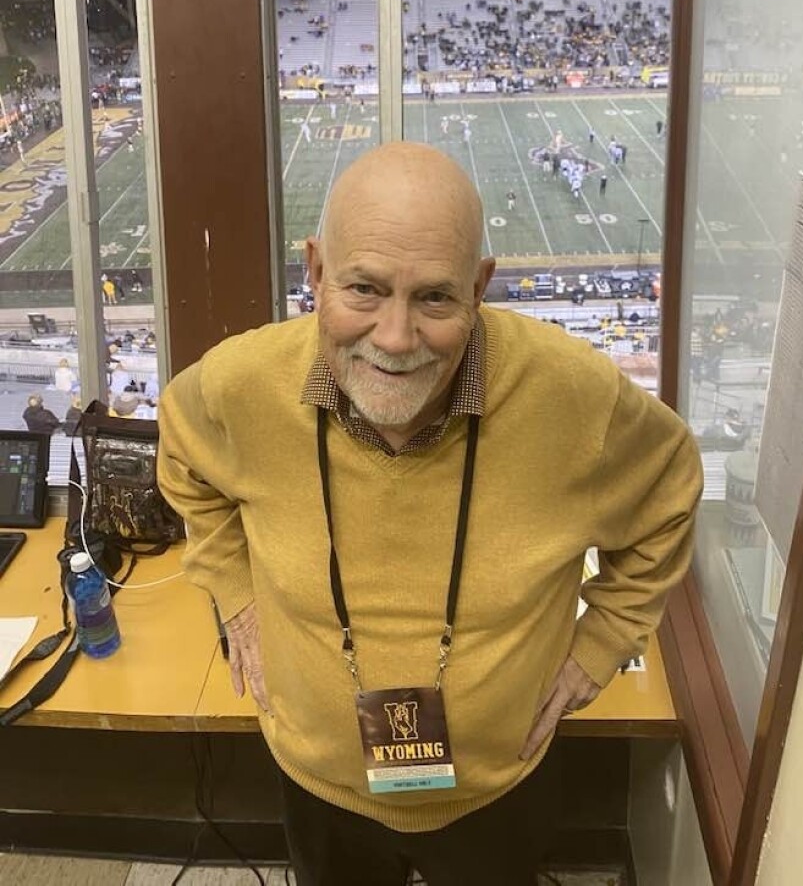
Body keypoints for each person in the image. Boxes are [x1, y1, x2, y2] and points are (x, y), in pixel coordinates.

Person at [158, 143, 702, 886]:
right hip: (319, 783)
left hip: (497, 790)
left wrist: (598, 645)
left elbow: (671, 493)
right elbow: (182, 454)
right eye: (365, 289)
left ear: (480, 286)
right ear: (315, 272)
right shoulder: (241, 383)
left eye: (436, 298)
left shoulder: (574, 397)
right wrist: (233, 590)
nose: (395, 336)